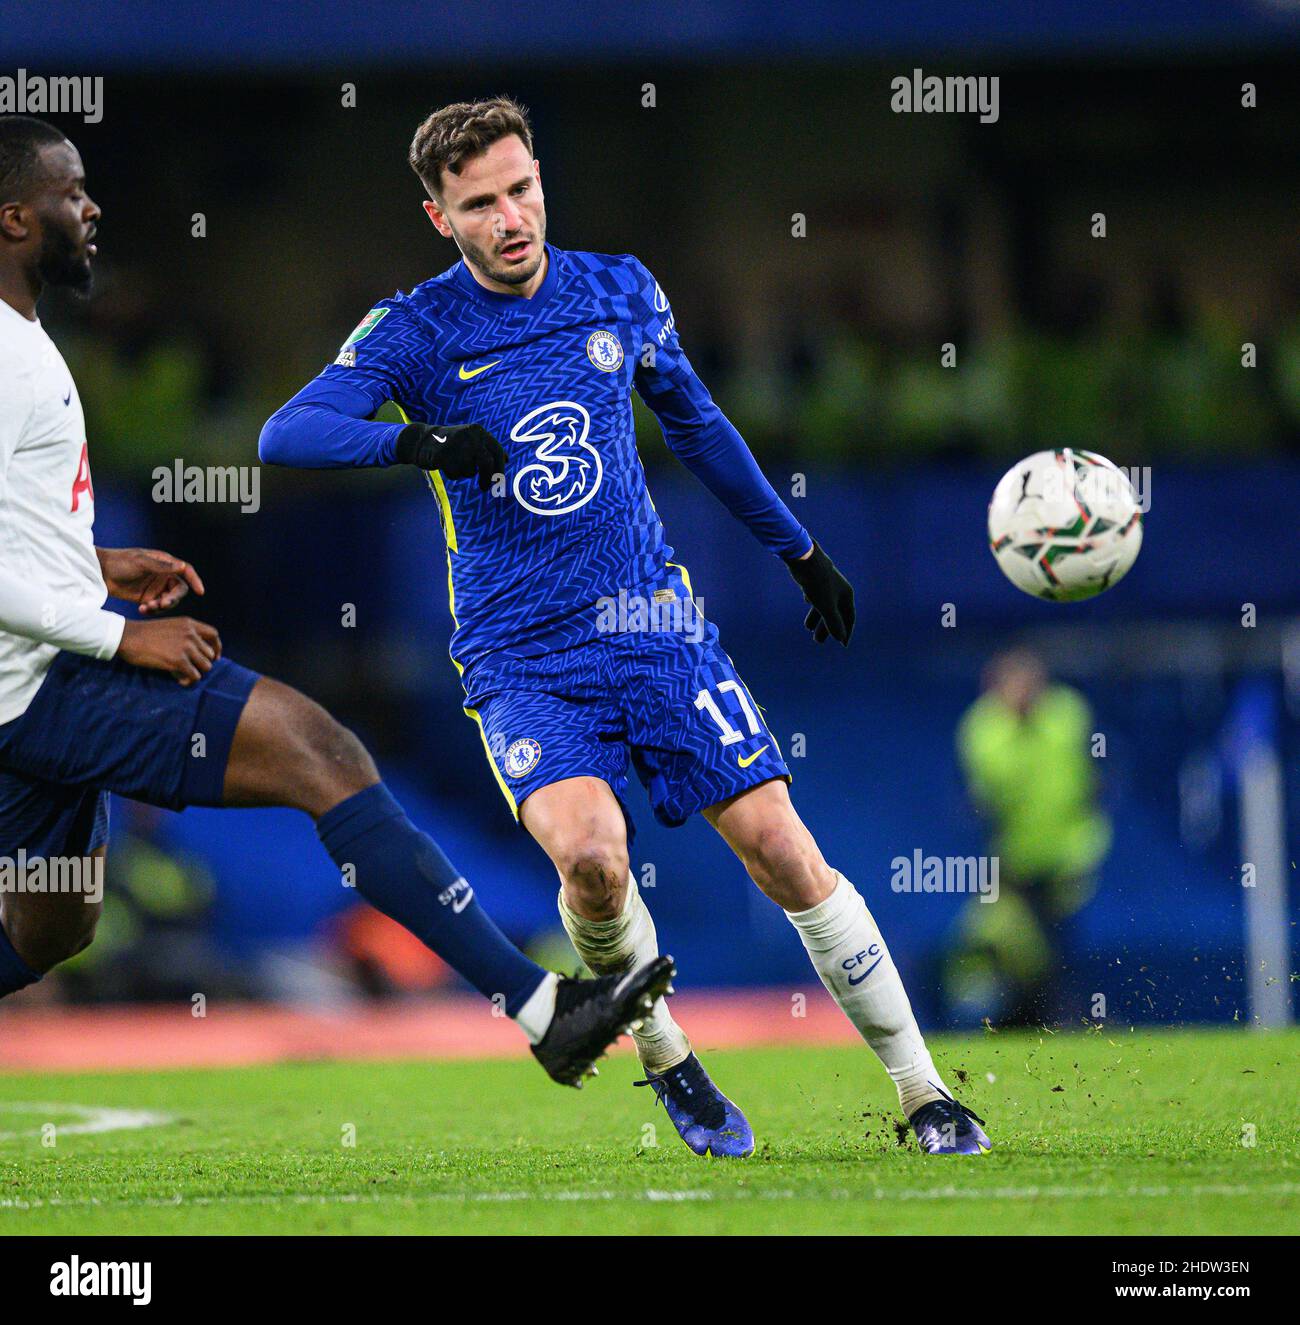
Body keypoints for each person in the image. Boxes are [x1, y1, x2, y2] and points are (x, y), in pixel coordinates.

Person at [261, 96, 989, 1156]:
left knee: (785, 850)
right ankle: (667, 1058)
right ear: (439, 219)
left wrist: (798, 549)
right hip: (521, 658)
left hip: (654, 626)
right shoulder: (413, 329)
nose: (511, 217)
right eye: (479, 204)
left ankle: (927, 1092)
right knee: (593, 862)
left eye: (522, 188)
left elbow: (696, 423)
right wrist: (414, 445)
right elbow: (292, 431)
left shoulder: (619, 288)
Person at [0, 114, 673, 1088]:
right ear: (15, 218)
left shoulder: (24, 338)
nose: (92, 209)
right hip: (48, 680)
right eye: (70, 194)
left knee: (52, 926)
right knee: (318, 748)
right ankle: (543, 1007)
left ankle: (542, 1008)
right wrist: (115, 634)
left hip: (30, 676)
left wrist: (90, 563)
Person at [952, 648, 1110, 1025]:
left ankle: (1054, 1019)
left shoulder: (1068, 713)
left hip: (1070, 855)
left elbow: (1095, 773)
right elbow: (982, 797)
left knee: (1054, 943)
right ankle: (1032, 1019)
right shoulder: (982, 729)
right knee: (1010, 943)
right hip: (1014, 861)